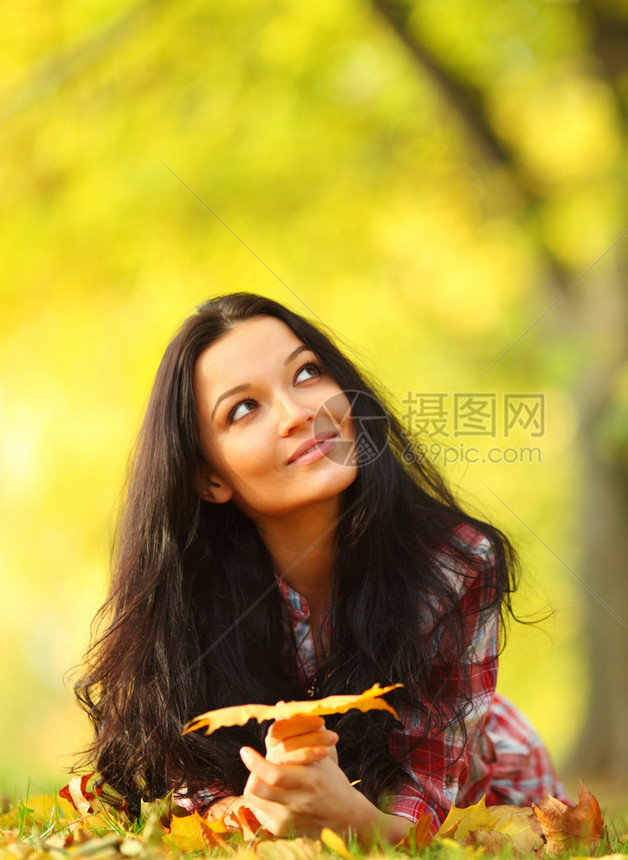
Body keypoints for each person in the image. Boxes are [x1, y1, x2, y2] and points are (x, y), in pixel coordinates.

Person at [75, 292, 568, 844]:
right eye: (244, 408)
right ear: (209, 479)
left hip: (482, 790)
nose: (298, 413)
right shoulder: (188, 602)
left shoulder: (454, 565)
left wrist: (352, 818)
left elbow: (426, 800)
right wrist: (252, 807)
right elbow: (191, 780)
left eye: (306, 373)